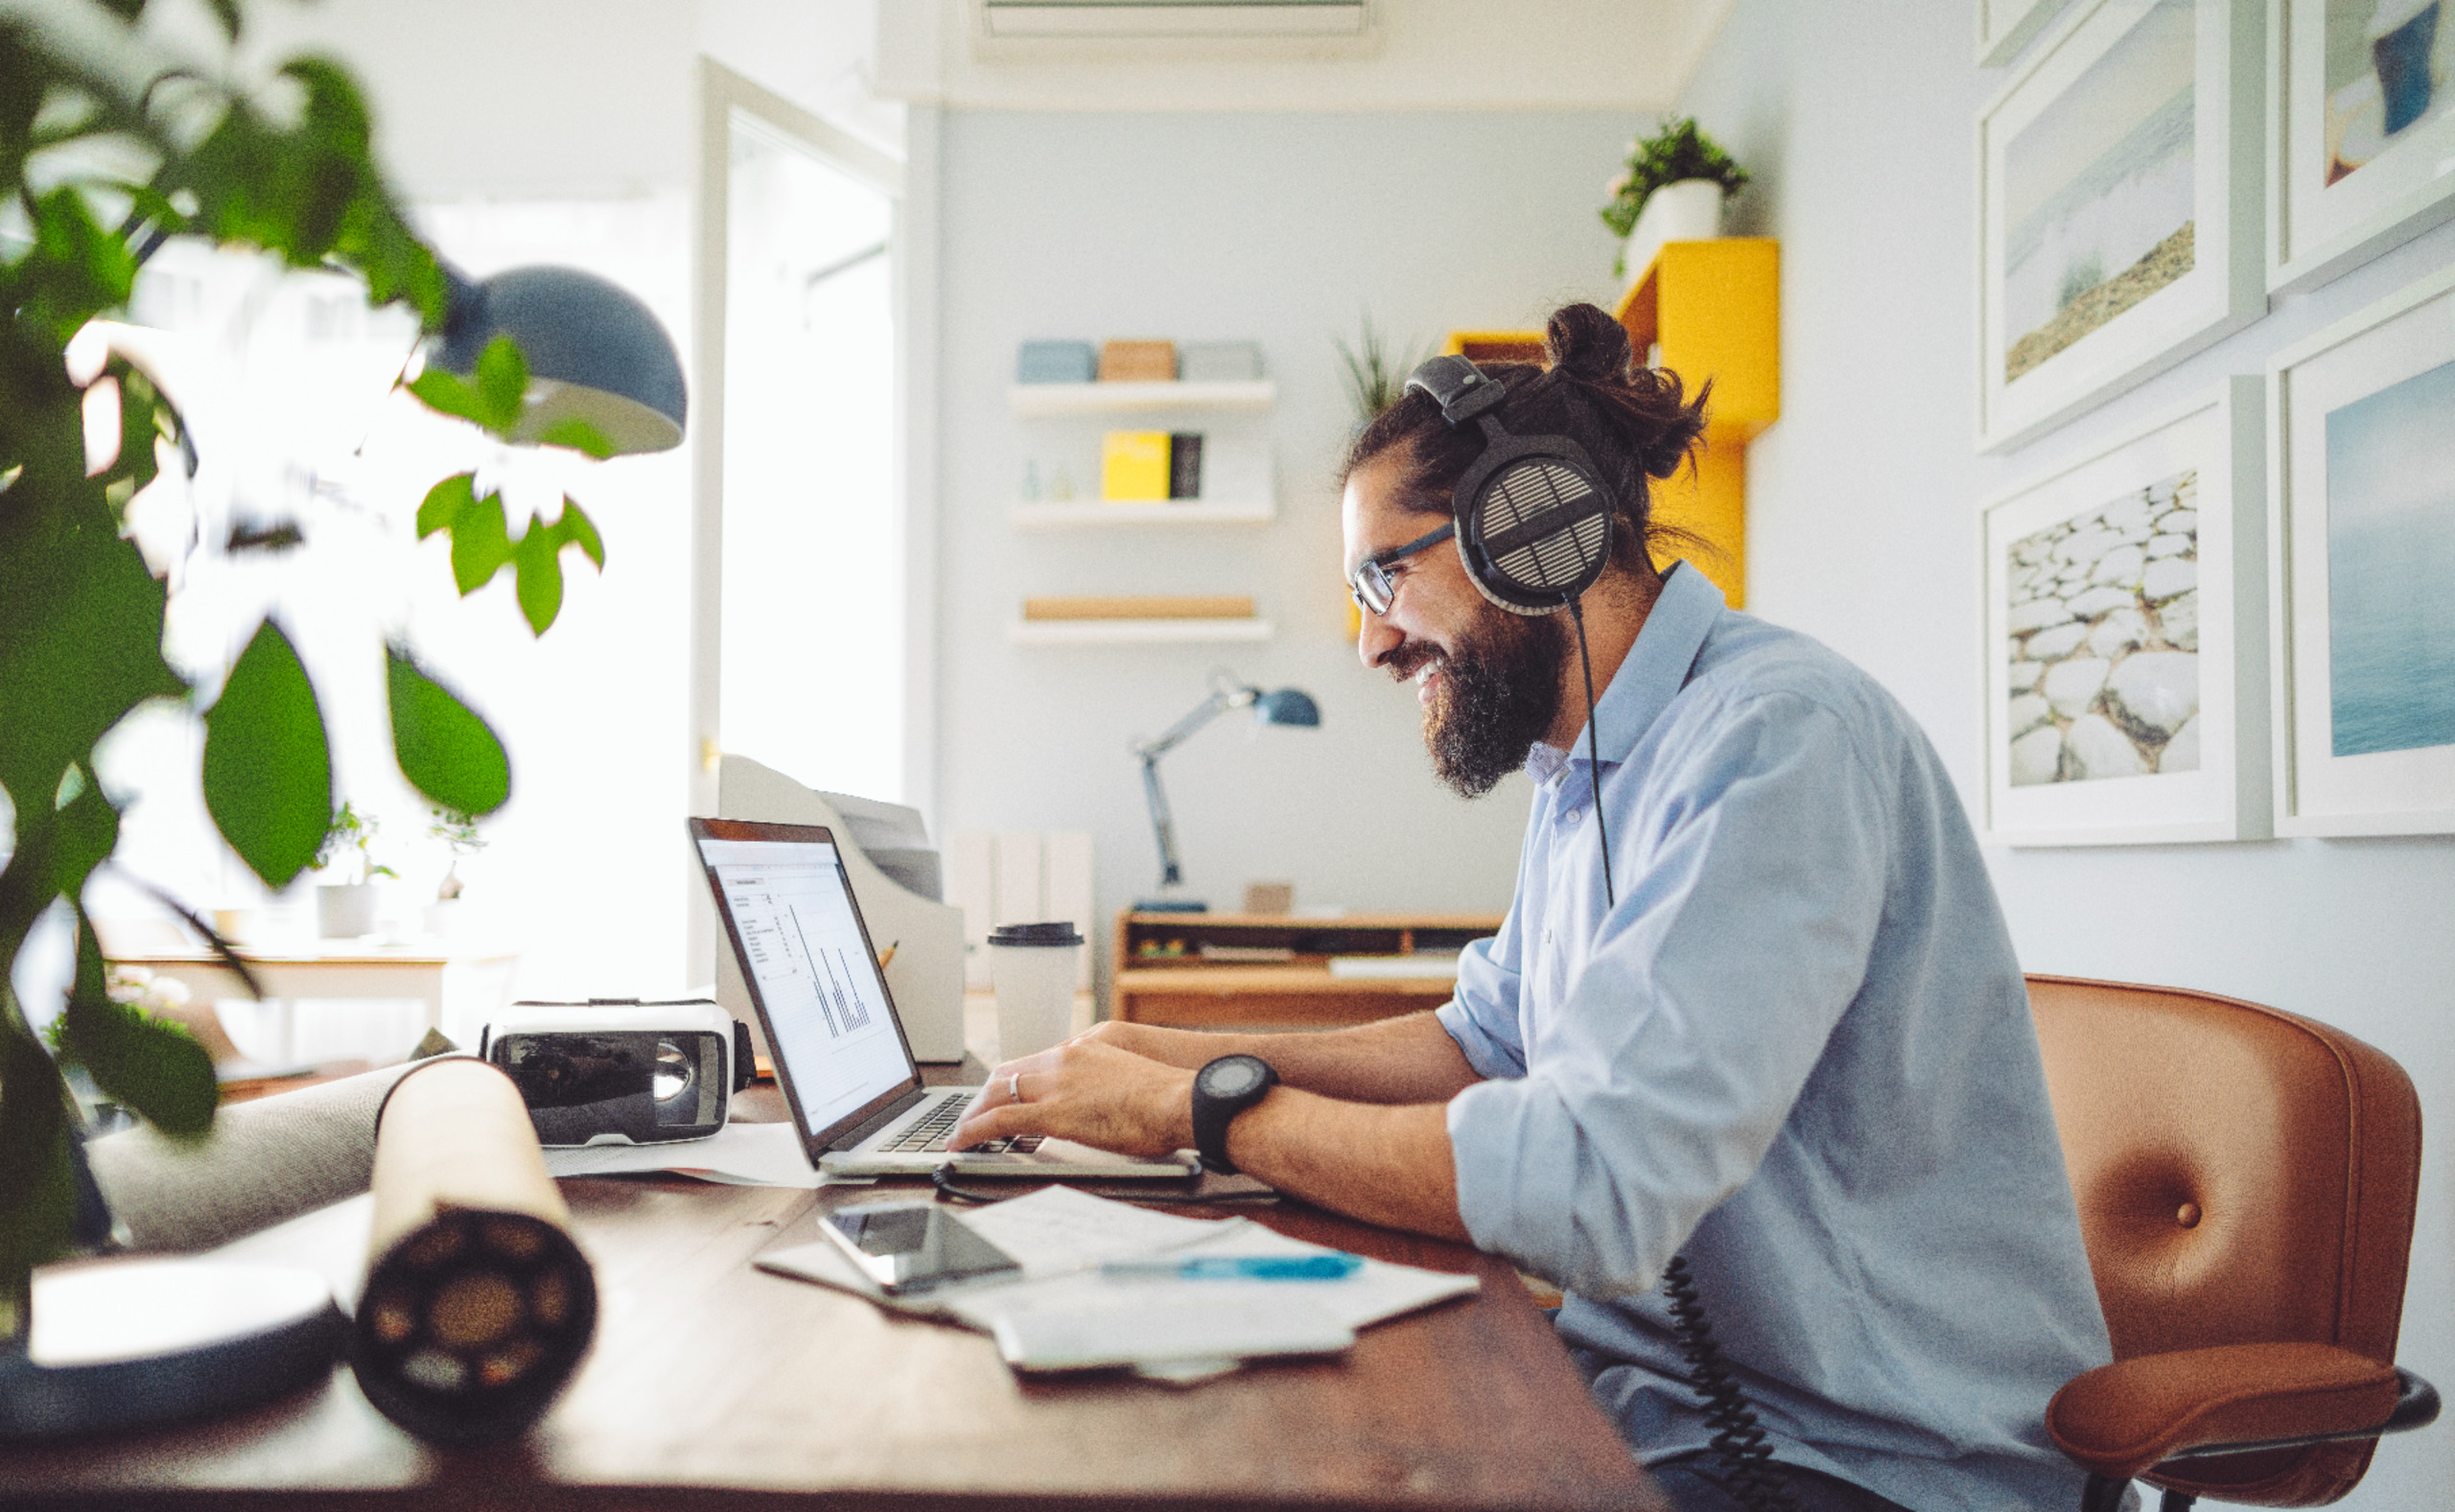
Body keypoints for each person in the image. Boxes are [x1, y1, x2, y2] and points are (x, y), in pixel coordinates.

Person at [951, 302, 2113, 1512]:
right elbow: (1484, 1044)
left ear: (1532, 530)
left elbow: (1591, 1186)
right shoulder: (1584, 765)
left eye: (1379, 576)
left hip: (1867, 1461)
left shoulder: (1777, 741)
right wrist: (1168, 1055)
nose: (1368, 643)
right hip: (1648, 1400)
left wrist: (1199, 1108)